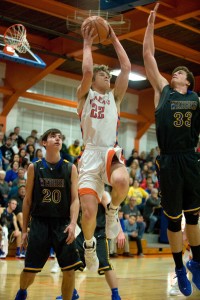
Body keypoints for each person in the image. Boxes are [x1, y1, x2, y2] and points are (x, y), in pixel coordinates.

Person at [143, 3, 200, 296]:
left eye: (178, 72)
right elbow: (148, 55)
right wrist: (151, 24)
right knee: (174, 219)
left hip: (190, 158)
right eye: (173, 72)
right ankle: (180, 267)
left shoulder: (197, 100)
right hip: (168, 159)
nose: (173, 73)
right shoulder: (162, 91)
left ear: (187, 81)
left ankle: (197, 262)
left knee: (194, 216)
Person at [77, 20, 131, 271]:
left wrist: (112, 37)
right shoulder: (84, 95)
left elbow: (127, 66)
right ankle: (89, 245)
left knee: (122, 182)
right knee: (87, 213)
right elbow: (87, 72)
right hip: (89, 154)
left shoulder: (115, 97)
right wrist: (87, 43)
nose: (107, 77)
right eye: (103, 74)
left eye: (108, 75)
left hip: (109, 149)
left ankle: (113, 211)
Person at [14, 128, 83, 300]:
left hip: (63, 224)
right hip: (40, 223)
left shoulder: (70, 168)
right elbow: (28, 201)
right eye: (53, 136)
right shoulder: (34, 168)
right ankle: (22, 291)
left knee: (69, 270)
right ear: (44, 143)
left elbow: (75, 200)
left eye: (60, 137)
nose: (58, 139)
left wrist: (73, 223)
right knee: (29, 271)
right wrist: (24, 231)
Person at [56, 192, 123, 300]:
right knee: (69, 264)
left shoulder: (103, 194)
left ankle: (115, 295)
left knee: (105, 264)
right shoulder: (77, 191)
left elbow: (112, 213)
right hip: (82, 233)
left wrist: (119, 231)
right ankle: (71, 292)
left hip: (98, 233)